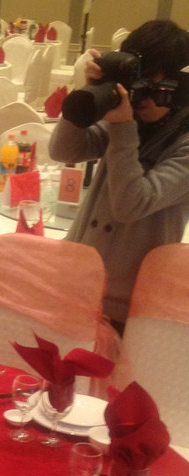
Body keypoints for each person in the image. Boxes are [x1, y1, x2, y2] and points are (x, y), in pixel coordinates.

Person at [49, 19, 189, 331]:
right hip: (77, 279)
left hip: (129, 302)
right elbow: (64, 150)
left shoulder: (182, 140)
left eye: (153, 88)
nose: (143, 99)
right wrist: (87, 96)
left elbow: (131, 203)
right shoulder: (130, 115)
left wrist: (123, 127)